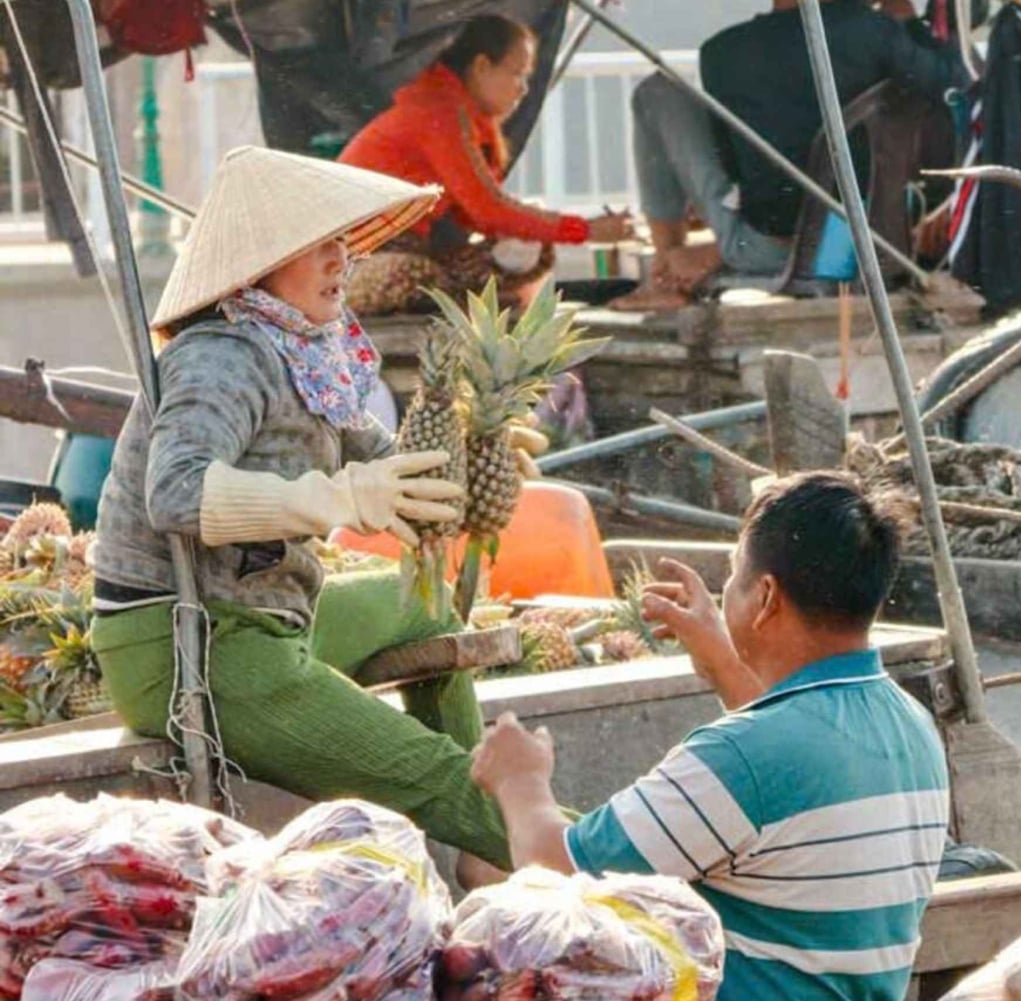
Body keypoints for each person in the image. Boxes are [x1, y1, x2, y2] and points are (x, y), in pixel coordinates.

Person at [91, 146, 527, 888]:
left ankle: (485, 856)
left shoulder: (303, 350)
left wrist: (472, 454)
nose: (341, 260)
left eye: (342, 242)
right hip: (189, 645)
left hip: (266, 618)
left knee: (426, 607)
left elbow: (383, 456)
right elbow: (177, 491)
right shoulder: (220, 355)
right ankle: (621, 860)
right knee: (439, 776)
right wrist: (337, 497)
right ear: (259, 264)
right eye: (319, 244)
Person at [471, 472, 951, 1000]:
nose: (726, 594)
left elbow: (557, 872)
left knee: (486, 882)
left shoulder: (746, 755)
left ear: (765, 597)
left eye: (733, 576)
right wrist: (723, 661)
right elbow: (787, 791)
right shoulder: (912, 724)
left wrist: (521, 779)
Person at [611, 0, 966, 311]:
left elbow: (734, 166)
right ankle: (688, 262)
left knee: (656, 93)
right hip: (883, 244)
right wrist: (906, 19)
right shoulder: (877, 35)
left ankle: (668, 270)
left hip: (767, 249)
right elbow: (957, 93)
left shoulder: (722, 52)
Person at [339, 15, 631, 312]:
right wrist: (585, 229)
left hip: (418, 249)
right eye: (517, 74)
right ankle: (460, 299)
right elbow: (488, 210)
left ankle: (459, 297)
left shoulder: (464, 116)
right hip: (356, 261)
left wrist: (550, 229)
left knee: (531, 250)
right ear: (481, 67)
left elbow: (479, 217)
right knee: (410, 277)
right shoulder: (438, 110)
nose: (523, 89)